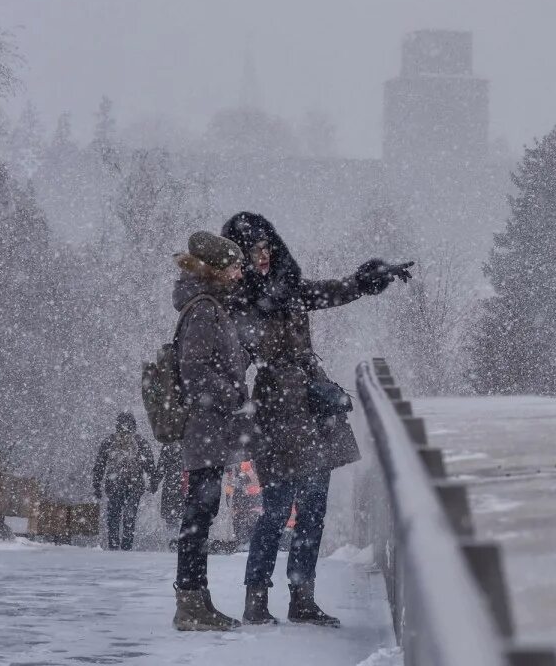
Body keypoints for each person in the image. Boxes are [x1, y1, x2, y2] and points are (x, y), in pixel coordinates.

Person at [220, 212, 411, 627]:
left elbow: (333, 291)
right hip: (275, 411)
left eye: (267, 246)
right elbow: (234, 361)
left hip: (311, 409)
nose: (264, 255)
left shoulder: (289, 290)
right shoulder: (238, 305)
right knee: (274, 511)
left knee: (312, 511)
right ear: (239, 255)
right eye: (254, 250)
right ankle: (257, 599)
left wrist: (367, 279)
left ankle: (301, 597)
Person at [171, 230, 251, 632]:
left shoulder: (211, 306)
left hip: (209, 427)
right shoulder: (205, 310)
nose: (240, 273)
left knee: (202, 512)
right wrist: (236, 393)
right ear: (217, 270)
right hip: (205, 427)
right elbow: (195, 371)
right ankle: (190, 604)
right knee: (199, 514)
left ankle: (196, 601)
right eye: (235, 266)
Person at [92, 412, 158, 551]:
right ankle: (126, 547)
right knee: (129, 516)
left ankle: (113, 546)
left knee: (113, 517)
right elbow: (150, 465)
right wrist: (153, 483)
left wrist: (97, 485)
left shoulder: (109, 441)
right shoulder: (140, 441)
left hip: (114, 484)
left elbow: (99, 466)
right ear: (134, 426)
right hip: (135, 485)